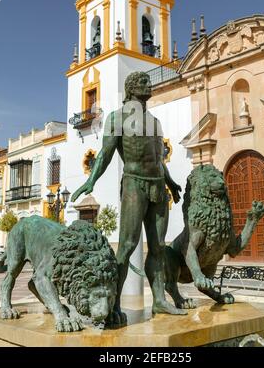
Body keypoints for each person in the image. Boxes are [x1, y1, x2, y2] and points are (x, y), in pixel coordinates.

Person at [72, 71, 186, 325]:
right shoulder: (116, 118)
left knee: (157, 247)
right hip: (134, 184)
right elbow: (105, 154)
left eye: (148, 81)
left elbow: (158, 158)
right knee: (126, 246)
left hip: (158, 187)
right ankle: (114, 303)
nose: (150, 85)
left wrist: (170, 182)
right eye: (144, 82)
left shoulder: (155, 122)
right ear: (132, 89)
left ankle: (159, 300)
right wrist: (90, 181)